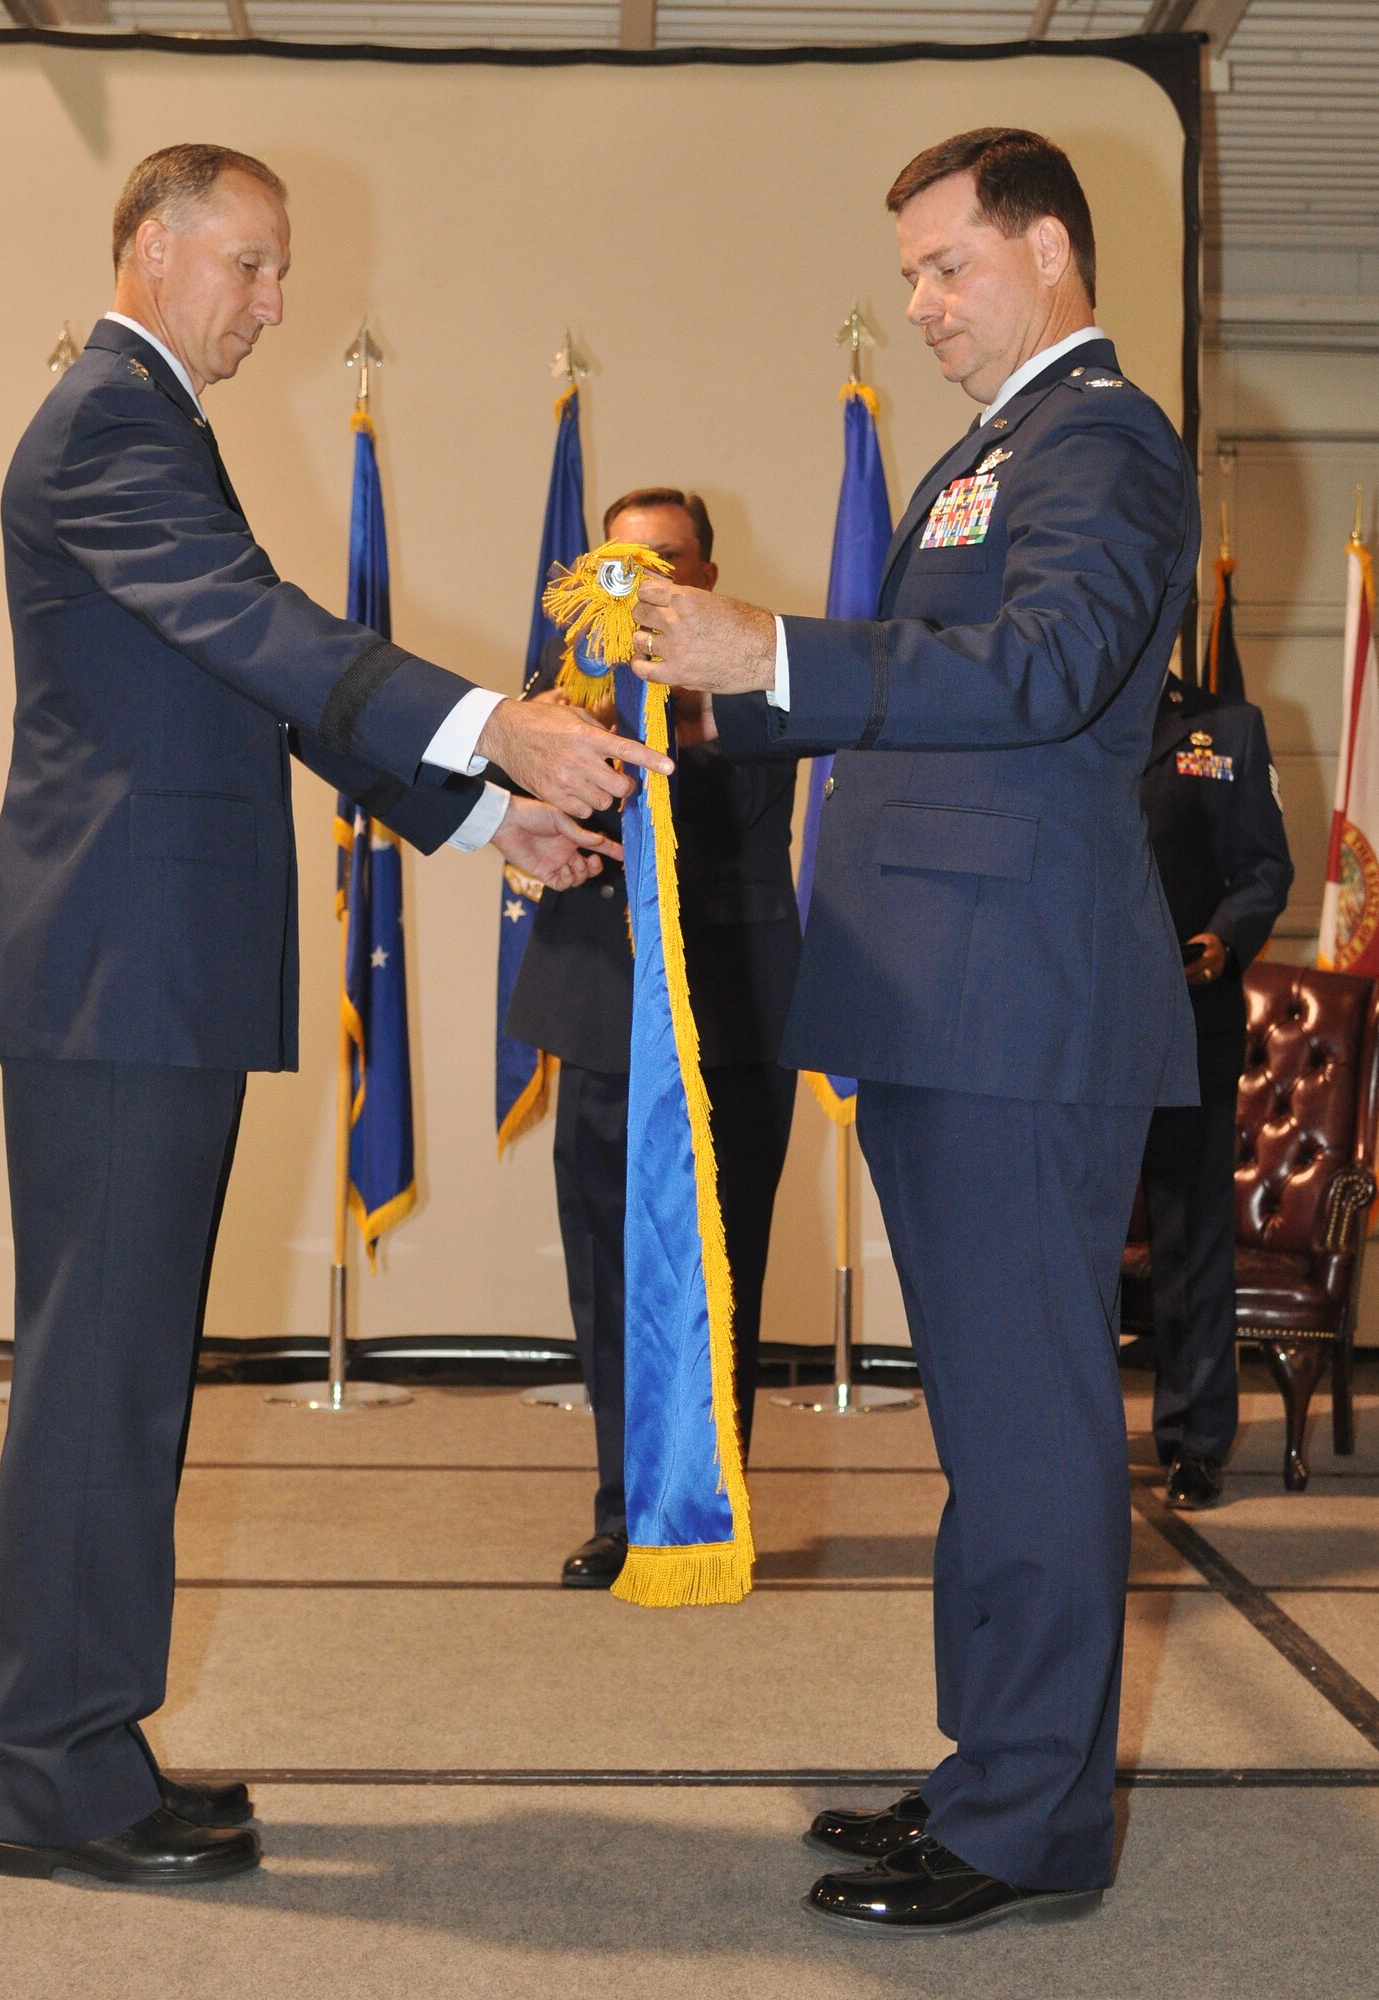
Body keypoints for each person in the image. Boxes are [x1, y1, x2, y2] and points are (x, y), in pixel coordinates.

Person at [0, 143, 671, 1889]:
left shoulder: (146, 426)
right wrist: (494, 727)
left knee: (128, 1373)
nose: (275, 304)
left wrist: (468, 813)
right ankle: (55, 1773)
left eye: (280, 272)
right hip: (121, 972)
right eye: (252, 264)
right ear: (150, 246)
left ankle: (85, 1747)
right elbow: (258, 630)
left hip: (145, 969)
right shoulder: (105, 422)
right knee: (100, 1380)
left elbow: (251, 681)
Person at [632, 128, 1199, 1934]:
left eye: (947, 267)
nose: (924, 306)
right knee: (989, 1422)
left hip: (1016, 1009)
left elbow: (1037, 676)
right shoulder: (995, 449)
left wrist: (772, 654)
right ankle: (988, 1772)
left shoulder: (1100, 442)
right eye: (912, 278)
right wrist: (688, 715)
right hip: (942, 997)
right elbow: (928, 708)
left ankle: (1028, 1823)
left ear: (1043, 250)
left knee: (1030, 1429)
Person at [505, 489, 800, 1589]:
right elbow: (510, 792)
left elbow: (751, 791)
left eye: (664, 563)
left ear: (705, 576)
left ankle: (707, 1500)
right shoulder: (569, 690)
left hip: (729, 1019)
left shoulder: (756, 676)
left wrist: (675, 692)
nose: (642, 584)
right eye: (619, 565)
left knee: (722, 1275)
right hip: (598, 1014)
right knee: (607, 1276)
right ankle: (620, 1508)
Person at [1138, 674, 1293, 1508]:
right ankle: (1072, 1435)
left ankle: (1194, 1440)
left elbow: (1265, 867)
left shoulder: (1224, 727)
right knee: (1066, 1236)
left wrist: (1224, 937)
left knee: (1191, 1231)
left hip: (1188, 1014)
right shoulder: (1054, 701)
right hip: (1068, 1022)